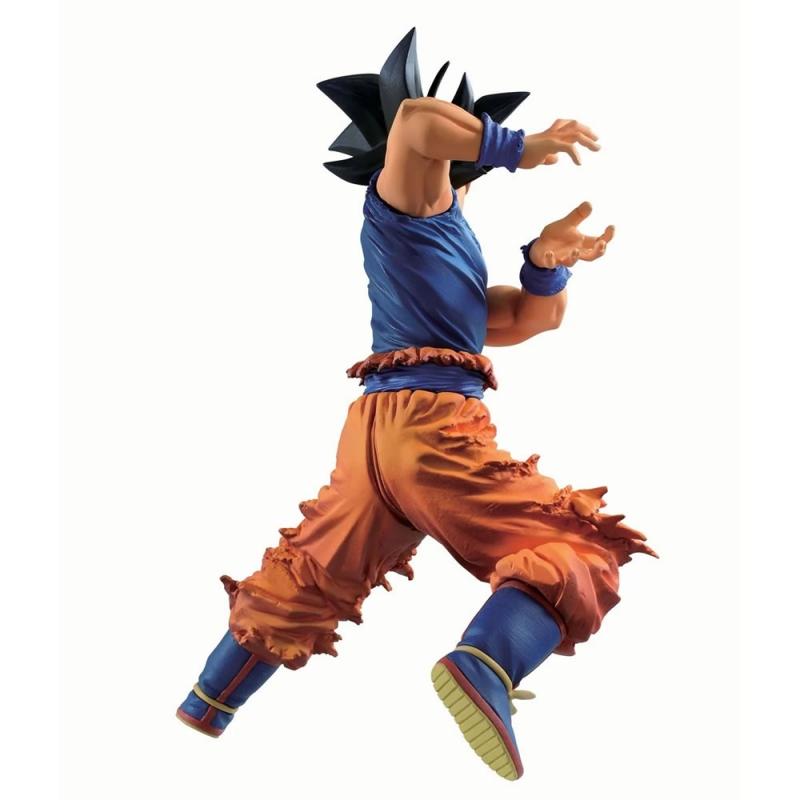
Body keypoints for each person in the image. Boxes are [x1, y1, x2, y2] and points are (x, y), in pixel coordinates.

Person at [176, 28, 656, 781]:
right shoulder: (408, 200)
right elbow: (414, 122)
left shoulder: (440, 238)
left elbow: (519, 322)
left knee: (312, 572)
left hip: (378, 432)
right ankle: (485, 664)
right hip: (433, 427)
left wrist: (544, 264)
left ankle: (210, 699)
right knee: (582, 548)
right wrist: (521, 144)